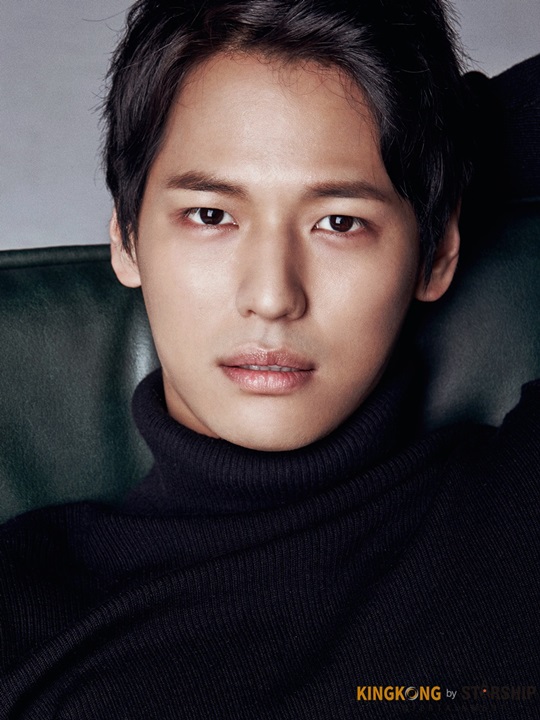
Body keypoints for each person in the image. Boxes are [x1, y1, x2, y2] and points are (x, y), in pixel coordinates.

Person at [0, 0, 538, 717]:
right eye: (211, 215)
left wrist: (441, 138)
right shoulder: (21, 603)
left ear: (436, 254)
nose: (272, 296)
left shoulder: (514, 511)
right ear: (127, 239)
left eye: (340, 221)